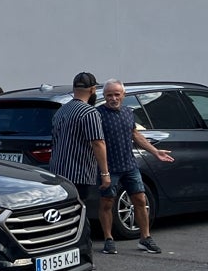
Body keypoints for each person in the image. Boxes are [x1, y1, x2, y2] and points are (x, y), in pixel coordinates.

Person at [96, 79, 174, 253]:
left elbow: (135, 135)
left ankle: (145, 238)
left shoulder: (128, 112)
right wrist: (103, 171)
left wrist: (155, 152)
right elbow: (94, 143)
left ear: (123, 95)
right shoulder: (97, 115)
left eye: (117, 94)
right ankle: (109, 239)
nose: (113, 98)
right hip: (109, 168)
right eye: (109, 95)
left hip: (130, 165)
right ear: (104, 96)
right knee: (107, 202)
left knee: (140, 199)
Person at [50, 72, 113, 252]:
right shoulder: (90, 112)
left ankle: (60, 248)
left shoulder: (61, 110)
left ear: (74, 89)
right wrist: (105, 173)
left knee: (63, 212)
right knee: (79, 213)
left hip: (58, 171)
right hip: (79, 172)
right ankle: (80, 251)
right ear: (93, 90)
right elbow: (98, 143)